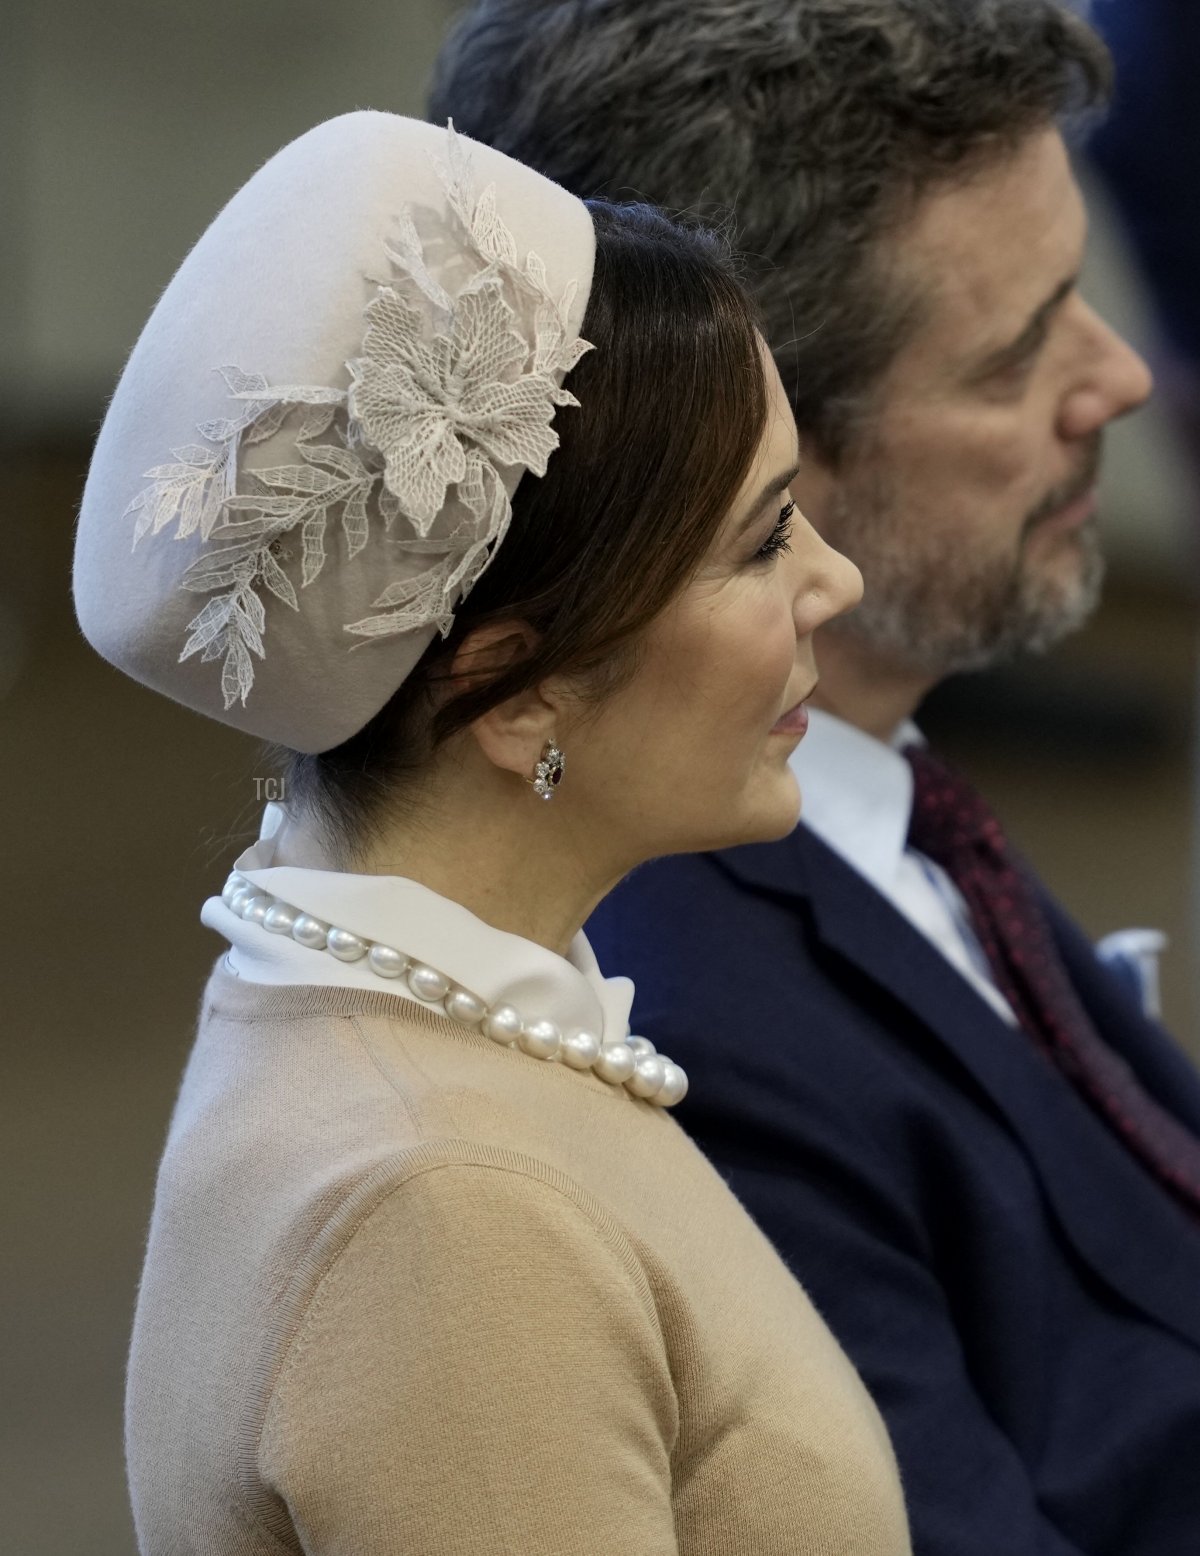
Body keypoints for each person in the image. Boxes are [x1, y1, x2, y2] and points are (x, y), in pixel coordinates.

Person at [72, 111, 903, 1554]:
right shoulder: (451, 1228)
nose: (833, 579)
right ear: (511, 691)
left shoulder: (405, 1003)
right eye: (763, 539)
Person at [431, 4, 1200, 1552]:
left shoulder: (870, 803)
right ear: (754, 443)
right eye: (1015, 352)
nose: (1114, 376)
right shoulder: (680, 1038)